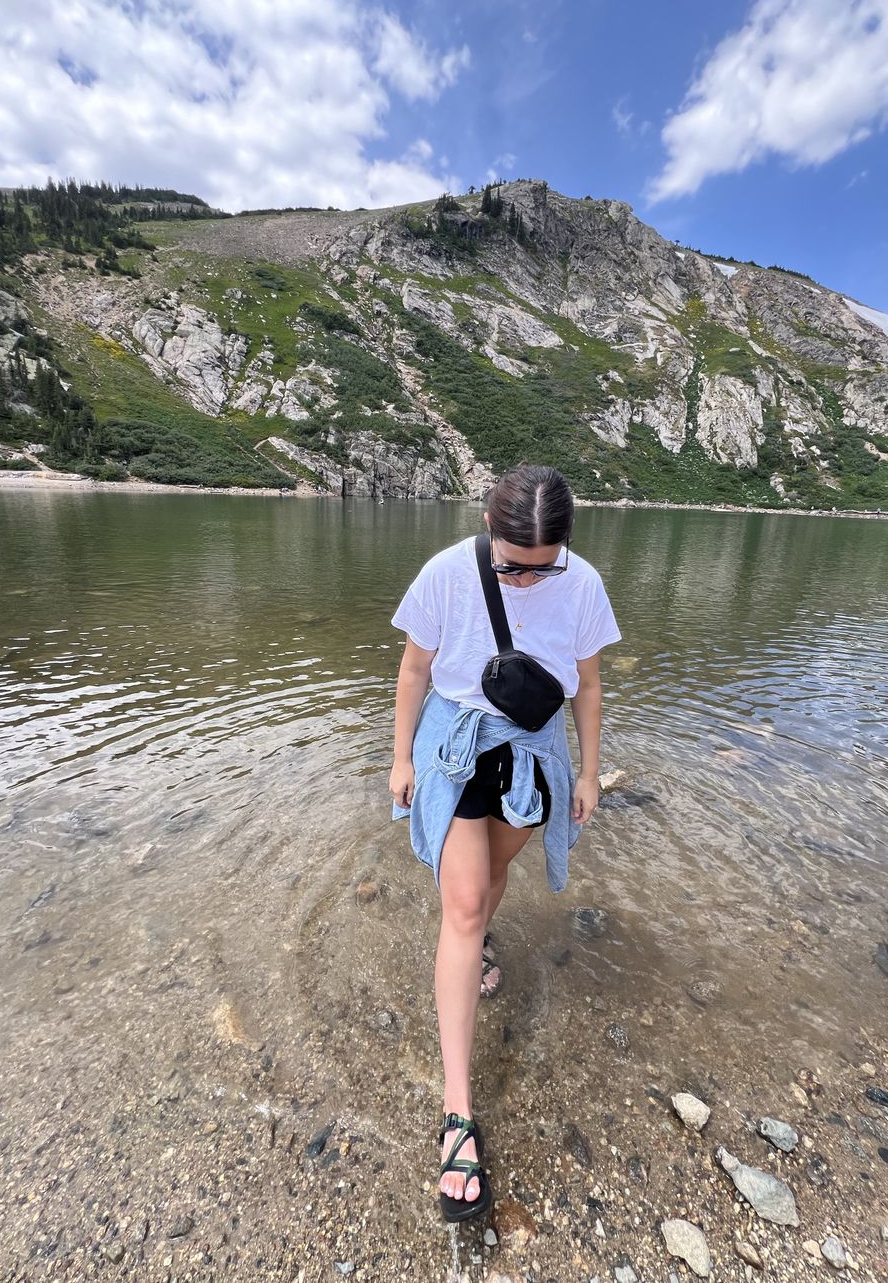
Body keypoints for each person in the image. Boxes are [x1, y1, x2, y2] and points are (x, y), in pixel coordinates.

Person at [387, 463, 622, 1223]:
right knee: (461, 902)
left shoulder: (581, 582)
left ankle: (478, 940)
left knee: (490, 878)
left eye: (538, 569)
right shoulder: (446, 573)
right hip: (454, 744)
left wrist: (587, 772)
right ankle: (458, 1114)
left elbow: (585, 682)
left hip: (533, 752)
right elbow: (416, 666)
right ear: (489, 530)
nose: (522, 582)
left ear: (563, 546)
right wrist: (398, 756)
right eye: (508, 568)